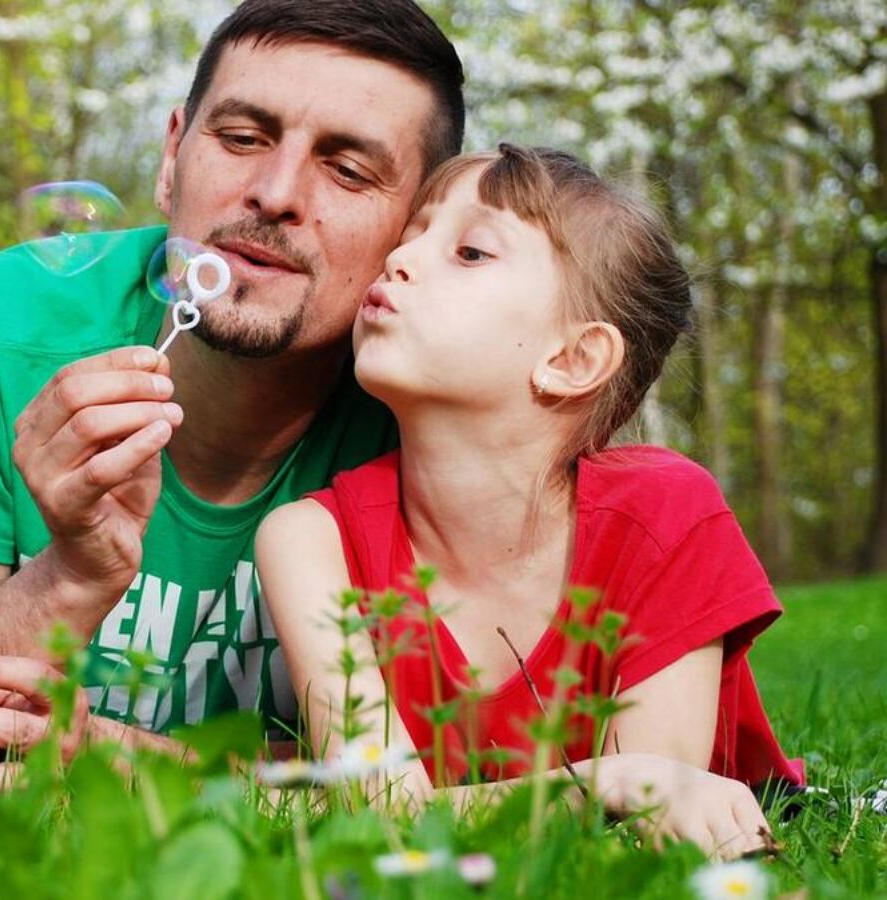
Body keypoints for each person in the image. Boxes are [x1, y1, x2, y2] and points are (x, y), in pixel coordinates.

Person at [0, 0, 465, 760]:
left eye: (348, 170)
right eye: (241, 138)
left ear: (418, 230)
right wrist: (66, 579)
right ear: (171, 158)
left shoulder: (445, 398)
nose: (277, 192)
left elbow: (448, 790)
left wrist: (123, 762)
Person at [255, 144, 803, 858]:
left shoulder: (665, 515)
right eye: (412, 232)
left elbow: (653, 823)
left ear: (572, 359)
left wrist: (632, 785)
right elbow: (382, 807)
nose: (401, 259)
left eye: (471, 252)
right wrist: (604, 779)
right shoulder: (307, 538)